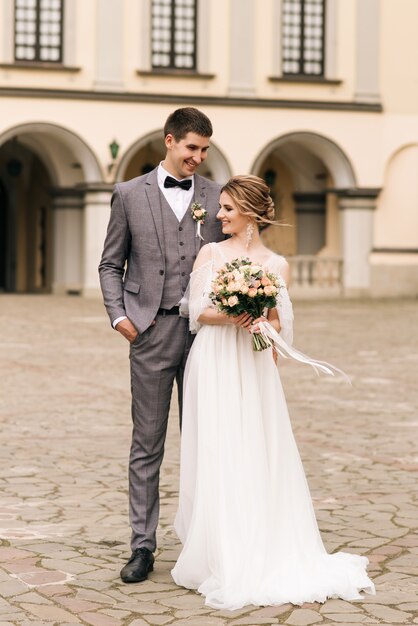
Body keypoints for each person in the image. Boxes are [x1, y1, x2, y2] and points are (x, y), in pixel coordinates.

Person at [171, 175, 375, 610]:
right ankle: (218, 550)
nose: (219, 215)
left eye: (227, 208)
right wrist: (233, 315)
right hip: (215, 360)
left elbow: (279, 321)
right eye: (220, 207)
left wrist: (257, 319)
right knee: (218, 446)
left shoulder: (277, 264)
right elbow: (197, 313)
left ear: (249, 212)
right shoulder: (211, 253)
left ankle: (260, 544)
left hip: (253, 362)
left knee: (256, 447)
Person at [98, 107, 224, 584]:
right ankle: (142, 546)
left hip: (205, 335)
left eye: (205, 150)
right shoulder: (129, 194)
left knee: (205, 441)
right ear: (169, 141)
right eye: (192, 148)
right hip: (149, 332)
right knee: (146, 444)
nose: (199, 157)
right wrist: (120, 316)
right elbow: (110, 263)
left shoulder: (216, 197)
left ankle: (205, 542)